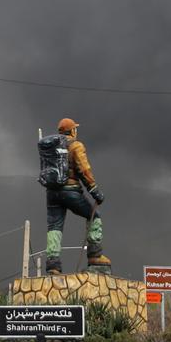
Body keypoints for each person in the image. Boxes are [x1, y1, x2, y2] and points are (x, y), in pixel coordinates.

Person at [45, 117, 109, 274]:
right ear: (72, 131)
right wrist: (95, 191)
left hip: (52, 193)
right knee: (94, 217)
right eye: (75, 129)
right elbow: (84, 170)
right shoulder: (75, 145)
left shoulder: (50, 147)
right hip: (70, 191)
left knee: (54, 226)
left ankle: (53, 264)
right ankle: (95, 255)